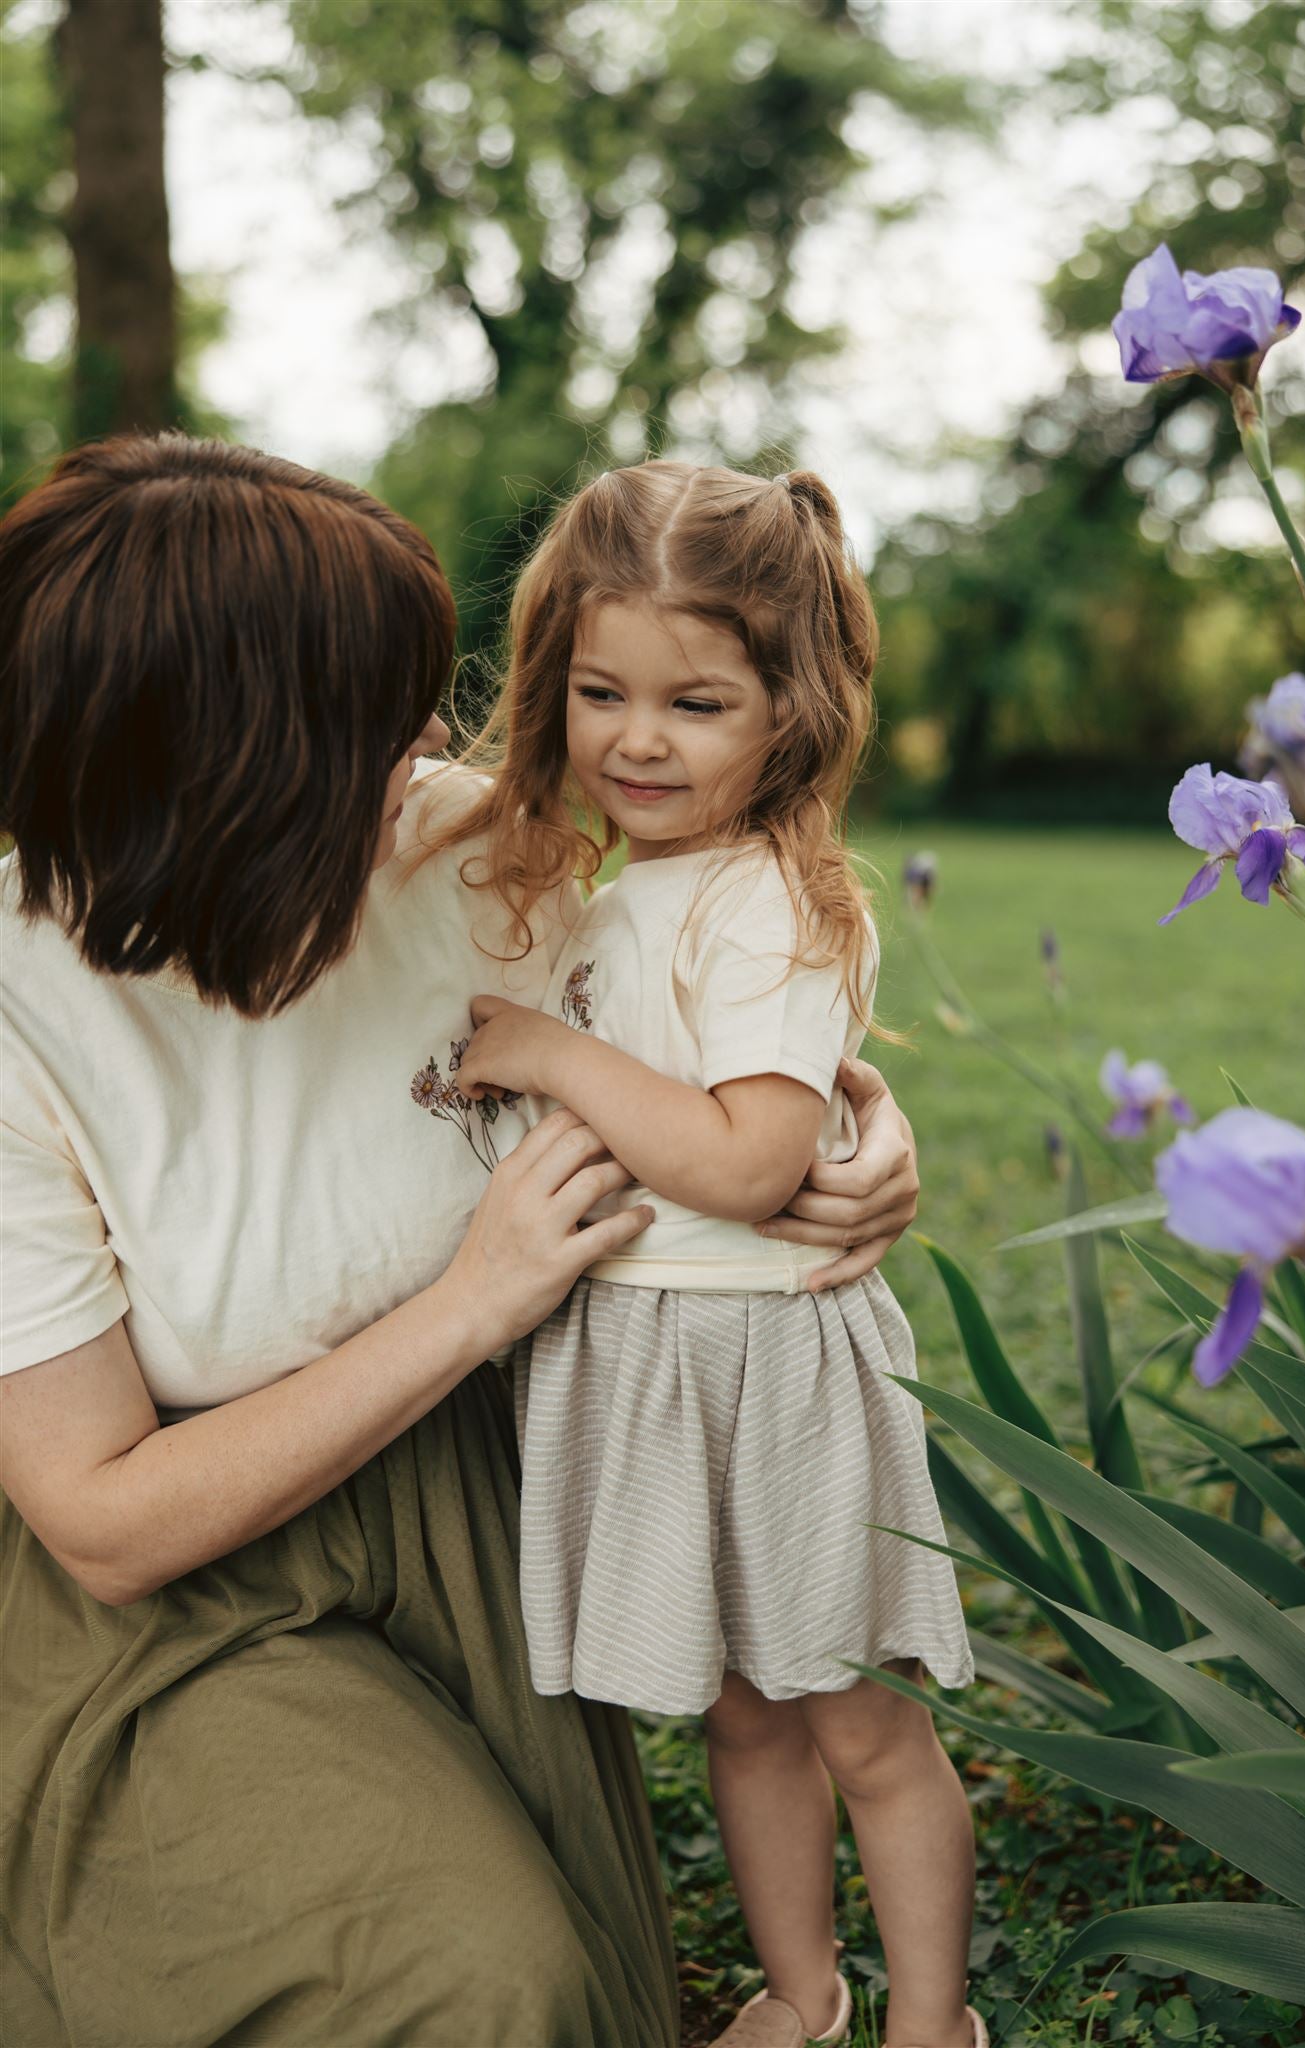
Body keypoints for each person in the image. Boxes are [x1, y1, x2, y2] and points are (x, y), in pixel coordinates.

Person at [0, 435, 926, 2048]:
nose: (434, 744)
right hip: (183, 1587)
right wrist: (476, 1299)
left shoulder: (460, 849)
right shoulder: (21, 1013)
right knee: (475, 1986)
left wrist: (858, 1128)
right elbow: (99, 1519)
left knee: (588, 1994)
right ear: (219, 764)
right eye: (374, 718)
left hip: (473, 1507)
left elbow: (718, 1018)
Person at [448, 461, 985, 2048]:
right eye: (601, 691)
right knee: (745, 1721)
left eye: (694, 701)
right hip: (660, 1365)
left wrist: (551, 1056)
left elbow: (750, 1164)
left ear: (789, 710)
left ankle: (930, 2023)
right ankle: (806, 1995)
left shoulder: (767, 901)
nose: (635, 738)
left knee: (862, 1727)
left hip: (765, 1368)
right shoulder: (642, 887)